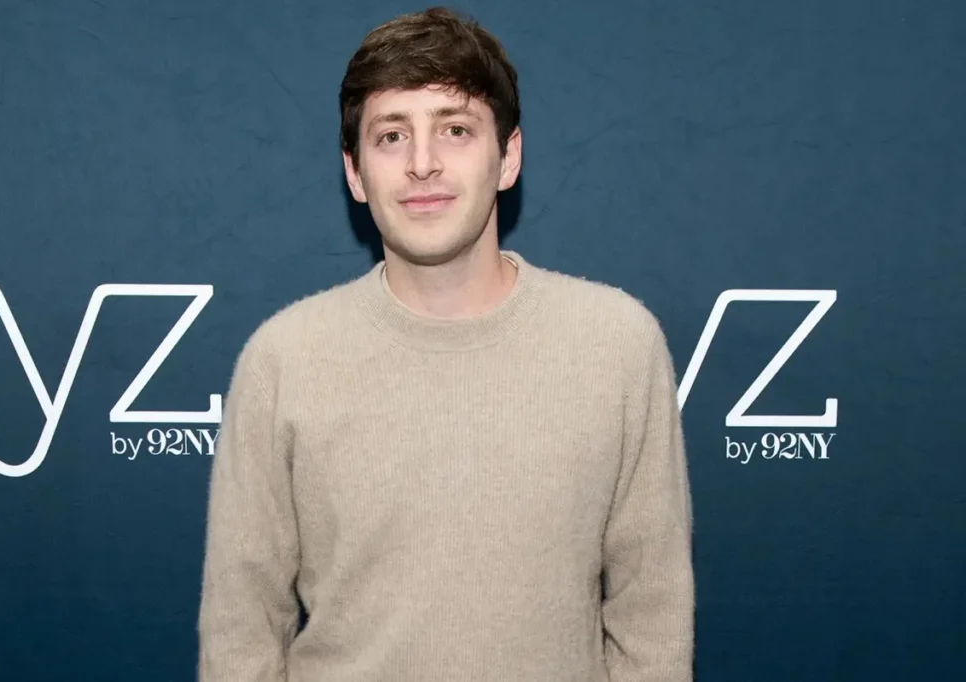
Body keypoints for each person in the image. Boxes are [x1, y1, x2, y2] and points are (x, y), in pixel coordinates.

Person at [197, 6, 694, 681]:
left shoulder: (619, 346)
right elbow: (240, 632)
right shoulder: (282, 361)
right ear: (355, 173)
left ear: (508, 156)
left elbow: (651, 620)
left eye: (455, 129)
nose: (422, 164)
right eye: (391, 136)